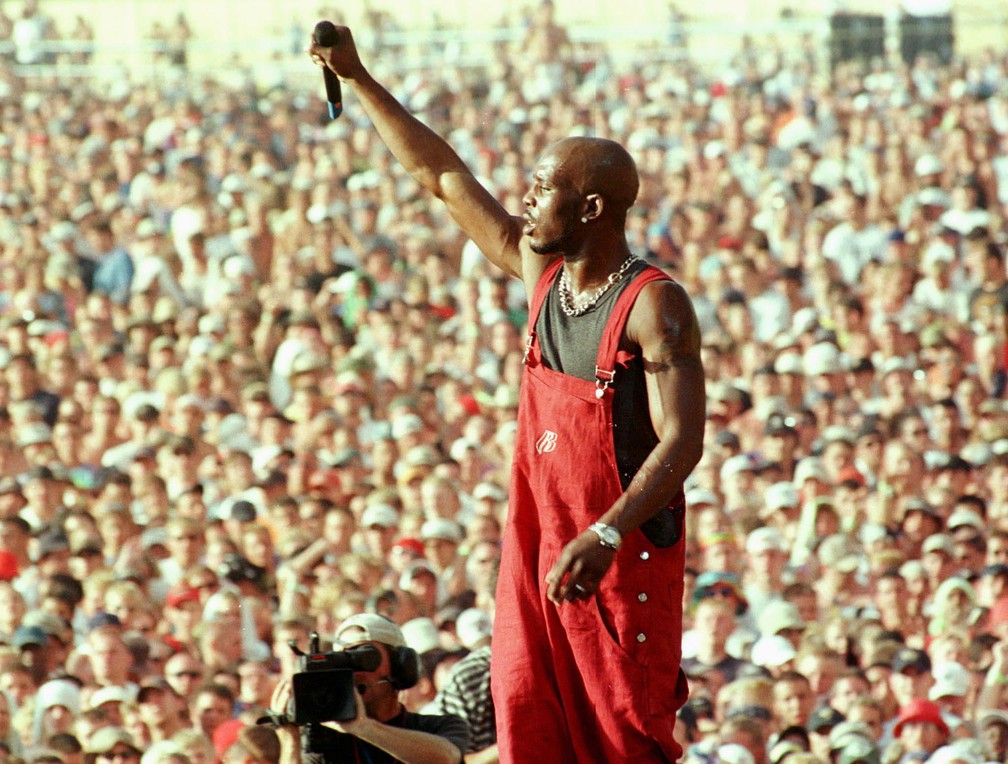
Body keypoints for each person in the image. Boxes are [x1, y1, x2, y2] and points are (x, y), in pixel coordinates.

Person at [309, 23, 705, 763]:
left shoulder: (654, 304)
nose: (525, 202)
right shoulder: (543, 276)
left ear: (590, 209)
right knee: (532, 727)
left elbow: (683, 441)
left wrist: (608, 532)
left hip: (616, 564)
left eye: (542, 189)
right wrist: (359, 79)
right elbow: (444, 180)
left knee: (624, 742)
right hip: (540, 548)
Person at [267, 613, 469, 764]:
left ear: (400, 664)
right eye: (344, 659)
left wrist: (365, 728)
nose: (355, 670)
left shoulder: (438, 727)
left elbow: (447, 756)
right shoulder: (327, 742)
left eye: (364, 656)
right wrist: (289, 739)